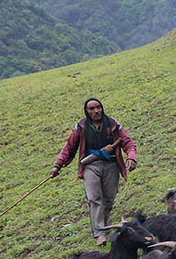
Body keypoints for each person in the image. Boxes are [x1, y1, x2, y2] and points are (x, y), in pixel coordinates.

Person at [50, 98, 137, 246]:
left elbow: (127, 141)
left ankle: (104, 223)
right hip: (90, 166)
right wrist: (57, 165)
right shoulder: (81, 127)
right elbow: (69, 147)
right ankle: (99, 233)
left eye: (98, 108)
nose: (96, 111)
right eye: (91, 109)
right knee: (94, 198)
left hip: (111, 164)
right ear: (87, 111)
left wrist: (131, 157)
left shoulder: (112, 124)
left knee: (109, 198)